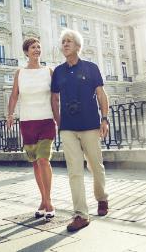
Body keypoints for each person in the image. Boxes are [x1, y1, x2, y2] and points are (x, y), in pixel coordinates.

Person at [51, 28, 109, 232]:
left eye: (69, 41)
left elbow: (101, 94)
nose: (65, 44)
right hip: (68, 128)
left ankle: (102, 198)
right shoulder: (58, 71)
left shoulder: (91, 68)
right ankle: (80, 215)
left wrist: (105, 119)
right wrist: (59, 122)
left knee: (95, 166)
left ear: (77, 46)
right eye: (63, 41)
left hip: (90, 125)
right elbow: (54, 97)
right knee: (74, 171)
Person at [6, 37, 56, 220]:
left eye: (38, 47)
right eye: (33, 47)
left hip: (46, 121)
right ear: (26, 52)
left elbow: (55, 97)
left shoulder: (49, 71)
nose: (36, 50)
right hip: (27, 122)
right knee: (35, 163)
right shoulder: (20, 73)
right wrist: (10, 115)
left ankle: (49, 201)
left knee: (43, 160)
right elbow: (13, 96)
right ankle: (43, 200)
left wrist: (59, 117)